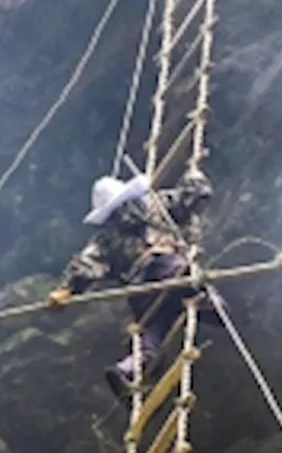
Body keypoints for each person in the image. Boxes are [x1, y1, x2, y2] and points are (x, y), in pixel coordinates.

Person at [46, 165, 216, 405]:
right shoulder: (113, 234)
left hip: (145, 291)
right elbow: (86, 264)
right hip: (159, 273)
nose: (125, 214)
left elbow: (191, 198)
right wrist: (67, 289)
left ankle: (126, 370)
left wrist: (194, 181)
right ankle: (207, 300)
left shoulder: (153, 207)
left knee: (153, 341)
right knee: (184, 279)